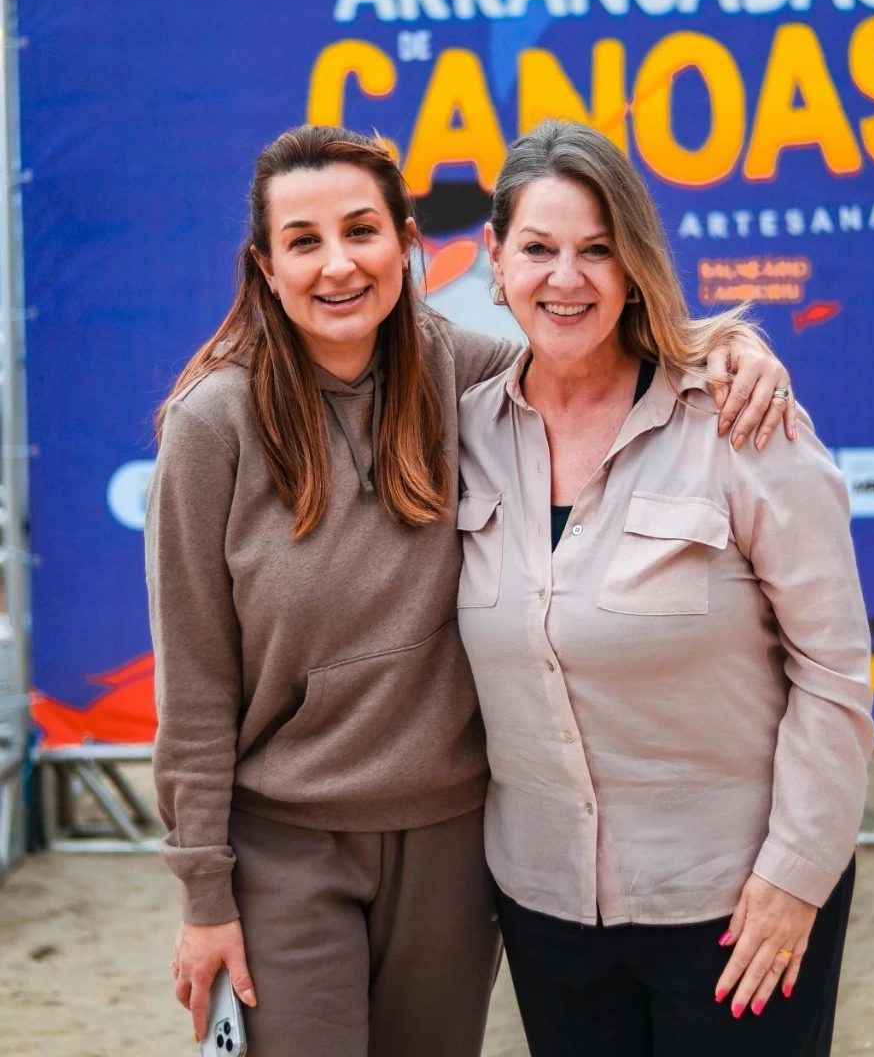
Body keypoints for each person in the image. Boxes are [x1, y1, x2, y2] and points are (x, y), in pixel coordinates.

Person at [145, 124, 795, 1057]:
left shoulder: (469, 375)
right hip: (285, 843)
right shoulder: (214, 426)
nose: (338, 265)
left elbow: (609, 363)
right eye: (304, 241)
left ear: (407, 243)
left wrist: (727, 352)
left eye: (362, 231)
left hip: (453, 844)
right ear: (265, 265)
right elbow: (196, 684)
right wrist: (204, 897)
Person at [455, 119, 874, 1057]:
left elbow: (835, 672)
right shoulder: (458, 431)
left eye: (597, 250)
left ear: (636, 259)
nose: (566, 279)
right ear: (494, 255)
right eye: (539, 248)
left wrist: (797, 875)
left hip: (735, 907)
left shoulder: (740, 421)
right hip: (547, 909)